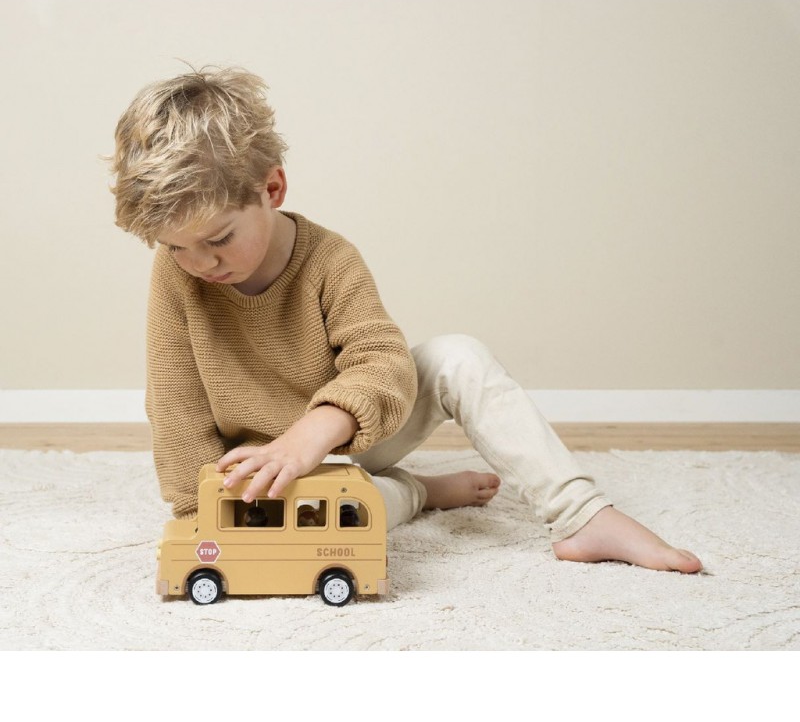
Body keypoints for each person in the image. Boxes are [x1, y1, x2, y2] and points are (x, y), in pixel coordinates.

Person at [109, 65, 702, 574]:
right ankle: (420, 493)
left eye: (217, 239)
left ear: (273, 188)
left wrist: (312, 434)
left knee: (458, 355)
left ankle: (582, 516)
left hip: (348, 434)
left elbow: (381, 365)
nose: (199, 263)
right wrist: (200, 511)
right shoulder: (178, 274)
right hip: (266, 472)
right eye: (176, 247)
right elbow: (175, 398)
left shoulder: (329, 258)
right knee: (338, 523)